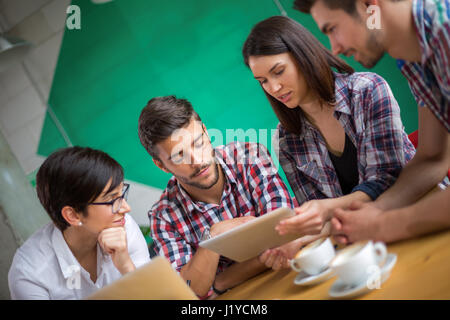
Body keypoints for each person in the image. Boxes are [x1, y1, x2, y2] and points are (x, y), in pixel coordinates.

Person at [242, 16, 415, 240]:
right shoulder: (285, 139)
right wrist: (296, 239)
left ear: (302, 56)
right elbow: (317, 220)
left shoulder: (367, 90)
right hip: (359, 239)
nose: (273, 87)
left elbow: (387, 178)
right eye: (263, 81)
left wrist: (328, 210)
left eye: (279, 71)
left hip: (415, 213)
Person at [293, 0, 450, 243]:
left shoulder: (445, 29)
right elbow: (433, 158)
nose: (334, 48)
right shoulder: (413, 60)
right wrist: (375, 210)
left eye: (332, 28)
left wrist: (383, 226)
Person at [138, 95, 301, 299]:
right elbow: (189, 290)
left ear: (206, 132)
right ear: (161, 165)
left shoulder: (250, 157)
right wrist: (212, 237)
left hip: (294, 277)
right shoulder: (163, 217)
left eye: (198, 143)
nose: (197, 161)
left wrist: (221, 281)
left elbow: (288, 236)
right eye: (179, 156)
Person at [8, 147, 150, 299]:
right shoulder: (30, 274)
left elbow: (157, 295)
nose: (126, 208)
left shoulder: (122, 225)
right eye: (111, 200)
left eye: (121, 194)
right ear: (73, 215)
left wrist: (126, 266)